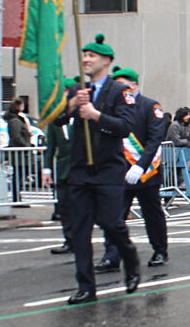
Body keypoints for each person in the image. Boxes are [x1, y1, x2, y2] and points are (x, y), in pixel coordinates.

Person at [53, 34, 140, 305]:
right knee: (80, 230)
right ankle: (86, 286)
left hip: (108, 170)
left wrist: (96, 115)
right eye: (84, 56)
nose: (86, 60)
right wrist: (72, 105)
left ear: (106, 61)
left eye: (91, 56)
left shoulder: (118, 91)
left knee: (112, 223)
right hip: (80, 170)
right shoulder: (78, 90)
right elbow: (56, 119)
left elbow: (125, 126)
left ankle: (130, 260)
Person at [96, 67, 169, 270]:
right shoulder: (113, 107)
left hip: (145, 172)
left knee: (152, 214)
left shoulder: (150, 106)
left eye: (123, 84)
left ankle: (160, 250)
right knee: (114, 216)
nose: (119, 89)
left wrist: (140, 167)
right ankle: (112, 255)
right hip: (119, 172)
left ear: (134, 84)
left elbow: (156, 140)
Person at [42, 78, 77, 254]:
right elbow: (51, 147)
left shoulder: (81, 114)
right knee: (64, 207)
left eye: (65, 91)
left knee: (82, 207)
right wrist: (46, 169)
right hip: (63, 169)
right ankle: (69, 240)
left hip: (81, 169)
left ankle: (81, 241)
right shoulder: (55, 117)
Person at [166, 107, 190, 201]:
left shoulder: (189, 126)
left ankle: (170, 199)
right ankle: (167, 198)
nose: (188, 117)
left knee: (180, 178)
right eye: (186, 115)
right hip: (170, 155)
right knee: (169, 177)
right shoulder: (174, 126)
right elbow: (176, 141)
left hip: (181, 155)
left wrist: (185, 142)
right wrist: (186, 141)